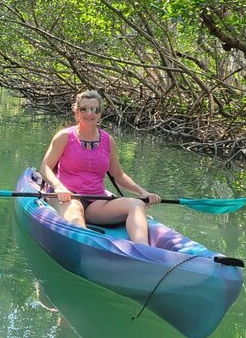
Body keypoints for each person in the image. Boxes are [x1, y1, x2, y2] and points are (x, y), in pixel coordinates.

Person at [37, 90, 161, 245]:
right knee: (75, 211)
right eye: (84, 109)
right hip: (67, 198)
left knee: (137, 204)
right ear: (76, 112)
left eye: (94, 109)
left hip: (97, 202)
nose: (89, 113)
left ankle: (144, 250)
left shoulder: (108, 140)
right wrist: (58, 187)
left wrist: (143, 192)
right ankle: (85, 245)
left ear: (100, 113)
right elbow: (45, 167)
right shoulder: (64, 136)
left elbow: (118, 175)